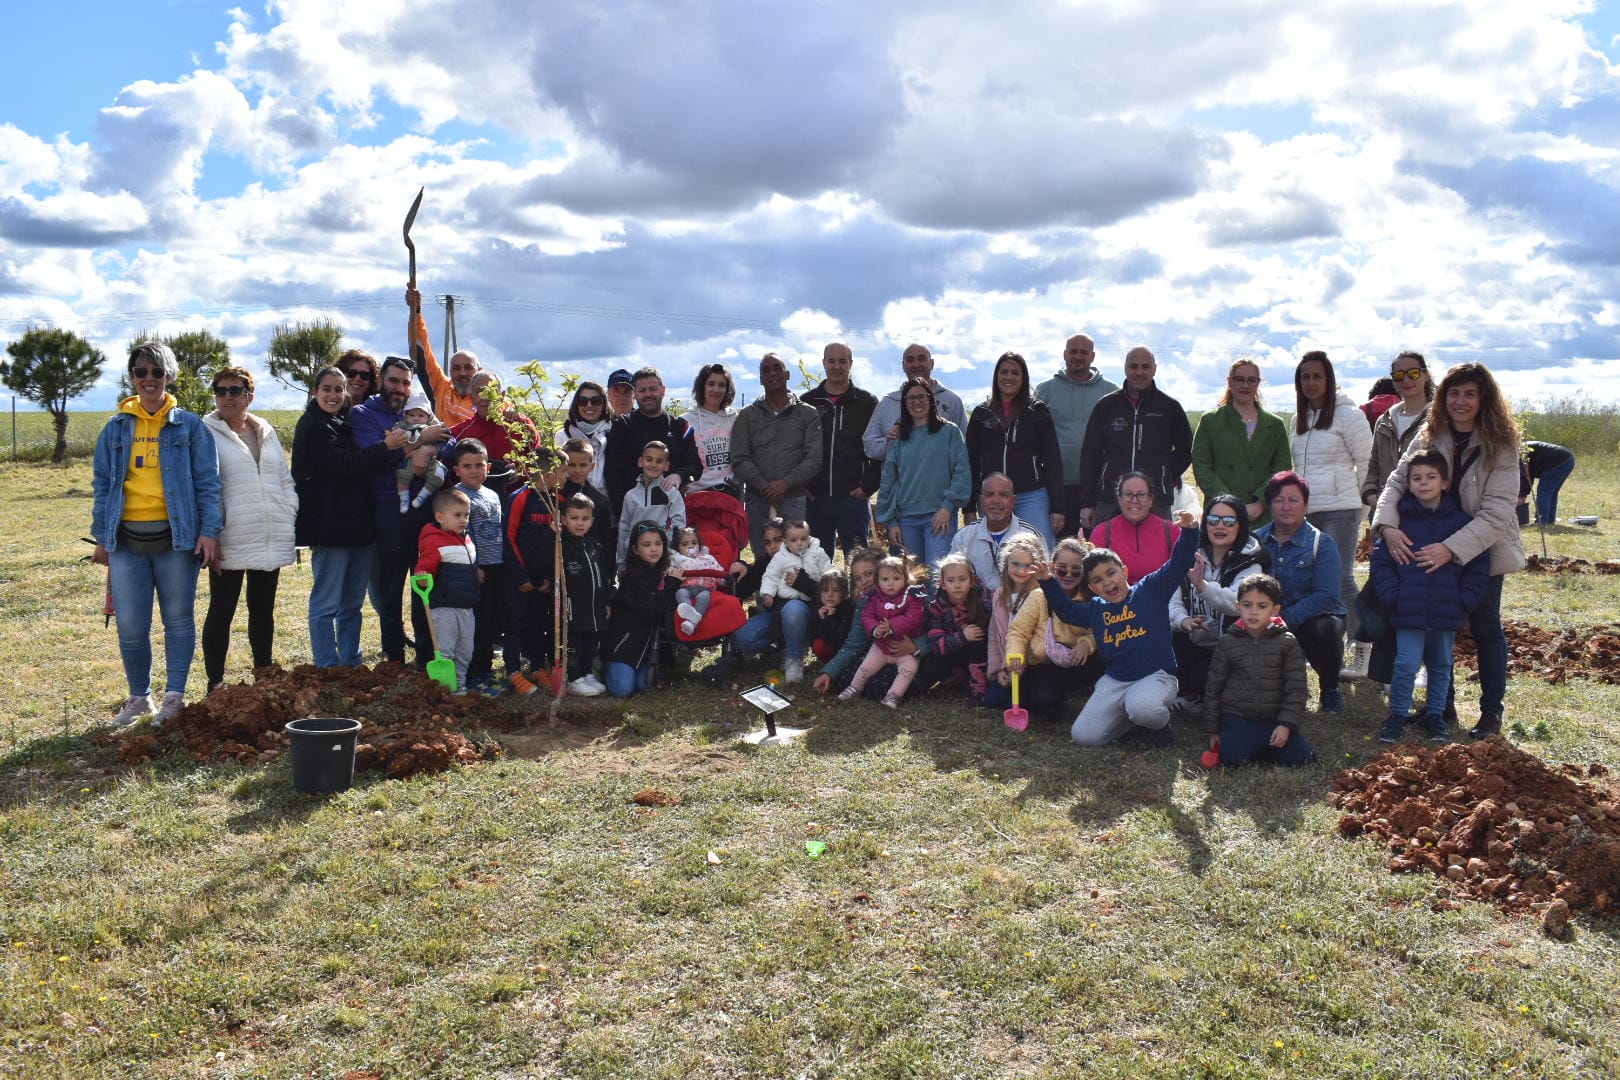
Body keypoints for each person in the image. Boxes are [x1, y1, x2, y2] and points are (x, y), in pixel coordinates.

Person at [1372, 362, 1525, 739]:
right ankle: (1442, 709)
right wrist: (1387, 526)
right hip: (1427, 543)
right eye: (1454, 393)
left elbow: (1497, 512)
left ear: (1484, 399)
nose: (1461, 401)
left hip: (1480, 549)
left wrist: (1451, 549)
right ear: (1443, 398)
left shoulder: (1501, 444)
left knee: (1485, 626)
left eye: (1470, 394)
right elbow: (1395, 482)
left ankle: (1490, 714)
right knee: (1434, 622)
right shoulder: (1430, 434)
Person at [91, 341, 222, 726]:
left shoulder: (190, 426)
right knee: (132, 625)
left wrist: (209, 532)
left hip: (177, 541)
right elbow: (102, 485)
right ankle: (139, 698)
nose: (149, 380)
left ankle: (174, 697)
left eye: (157, 372)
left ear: (169, 376)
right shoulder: (116, 428)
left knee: (178, 620)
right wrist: (102, 536)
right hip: (126, 543)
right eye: (141, 372)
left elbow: (208, 484)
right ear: (132, 377)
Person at [1036, 510, 1201, 746]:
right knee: (1083, 736)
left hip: (1156, 676)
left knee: (1143, 707)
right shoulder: (1097, 609)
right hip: (1116, 681)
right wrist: (1048, 582)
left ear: (1124, 571)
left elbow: (1179, 564)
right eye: (1098, 580)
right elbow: (1067, 611)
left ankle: (1159, 724)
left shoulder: (1150, 590)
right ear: (1092, 588)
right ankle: (1133, 718)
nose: (1108, 583)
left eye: (1111, 573)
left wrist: (1190, 531)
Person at [1370, 449, 1491, 743]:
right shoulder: (1399, 522)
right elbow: (1381, 560)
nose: (1424, 483)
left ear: (1445, 483)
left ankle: (1435, 715)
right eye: (1417, 479)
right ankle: (1397, 714)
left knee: (1441, 665)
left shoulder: (1460, 522)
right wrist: (1393, 596)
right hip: (1407, 609)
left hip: (1446, 610)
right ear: (1408, 484)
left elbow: (1478, 562)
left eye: (1431, 477)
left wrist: (1464, 600)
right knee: (1406, 664)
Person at [293, 367, 408, 669]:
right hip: (330, 528)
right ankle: (327, 665)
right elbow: (342, 464)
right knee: (326, 604)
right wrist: (387, 446)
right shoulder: (313, 426)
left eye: (339, 389)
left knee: (352, 605)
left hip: (359, 527)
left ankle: (351, 663)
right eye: (327, 389)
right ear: (315, 391)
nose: (333, 395)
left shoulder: (341, 424)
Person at [351, 356, 455, 669]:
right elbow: (376, 456)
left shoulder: (418, 411)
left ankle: (425, 654)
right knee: (391, 584)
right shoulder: (363, 414)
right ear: (381, 379)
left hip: (426, 509)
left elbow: (451, 442)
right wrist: (422, 439)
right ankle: (394, 655)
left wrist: (429, 449)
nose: (399, 388)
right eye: (394, 381)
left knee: (423, 580)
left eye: (405, 383)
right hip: (389, 507)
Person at [200, 366, 298, 691]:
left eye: (235, 390)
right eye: (221, 390)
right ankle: (215, 682)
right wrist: (210, 530)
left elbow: (283, 477)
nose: (227, 396)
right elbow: (203, 485)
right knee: (222, 610)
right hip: (229, 536)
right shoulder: (204, 432)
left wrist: (289, 508)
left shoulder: (266, 432)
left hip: (268, 533)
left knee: (262, 611)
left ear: (249, 396)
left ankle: (264, 675)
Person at [1290, 350, 1371, 637]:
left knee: (1340, 580)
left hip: (1341, 510)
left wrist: (1361, 510)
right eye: (1305, 377)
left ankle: (1363, 642)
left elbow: (1366, 463)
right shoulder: (1298, 420)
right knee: (1315, 582)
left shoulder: (1350, 416)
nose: (1311, 382)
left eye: (1317, 376)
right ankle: (1328, 641)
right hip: (1308, 515)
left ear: (1329, 379)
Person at [1199, 575, 1317, 767]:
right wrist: (1213, 730)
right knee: (1230, 760)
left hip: (1275, 719)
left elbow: (1296, 688)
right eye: (1247, 605)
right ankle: (1250, 745)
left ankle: (1269, 745)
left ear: (1275, 609)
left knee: (1304, 760)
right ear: (1238, 607)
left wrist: (1285, 725)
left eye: (1262, 606)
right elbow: (1214, 687)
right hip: (1239, 718)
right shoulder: (1228, 642)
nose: (1253, 612)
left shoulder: (1287, 642)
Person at [1168, 493, 1269, 711]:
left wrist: (1203, 587)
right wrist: (1184, 620)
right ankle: (1191, 695)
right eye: (1213, 520)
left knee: (1201, 677)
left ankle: (1204, 695)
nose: (1220, 526)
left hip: (1232, 648)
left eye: (1229, 521)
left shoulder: (1251, 563)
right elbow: (1171, 601)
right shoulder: (1190, 555)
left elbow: (1238, 602)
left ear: (1240, 526)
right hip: (1193, 640)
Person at [1255, 471, 1347, 712]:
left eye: (1293, 500)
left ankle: (1330, 688)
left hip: (1314, 617)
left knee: (1323, 629)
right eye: (1278, 500)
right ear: (1269, 506)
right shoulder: (1255, 541)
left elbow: (1327, 595)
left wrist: (1284, 619)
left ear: (1305, 505)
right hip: (1266, 617)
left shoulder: (1322, 543)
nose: (1286, 506)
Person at [1076, 346, 1193, 528]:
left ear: (1154, 369)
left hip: (1156, 500)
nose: (1139, 372)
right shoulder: (1106, 406)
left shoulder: (1169, 408)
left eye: (1145, 367)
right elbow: (1090, 455)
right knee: (1104, 554)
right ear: (1125, 368)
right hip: (1110, 498)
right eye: (1133, 366)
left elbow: (1185, 450)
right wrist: (1087, 503)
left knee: (1158, 554)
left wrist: (1164, 474)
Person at [964, 351, 1064, 547]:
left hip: (1031, 495)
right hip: (993, 497)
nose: (1009, 377)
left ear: (1023, 378)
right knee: (994, 551)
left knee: (1039, 549)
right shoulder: (981, 414)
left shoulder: (1038, 411)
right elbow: (972, 462)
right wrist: (968, 507)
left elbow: (1053, 459)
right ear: (996, 376)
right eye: (1004, 372)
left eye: (1015, 373)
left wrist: (1058, 506)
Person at [731, 352, 823, 559]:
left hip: (793, 499)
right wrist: (764, 486)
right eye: (766, 370)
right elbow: (739, 457)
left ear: (788, 374)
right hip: (757, 499)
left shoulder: (807, 414)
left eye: (777, 368)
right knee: (762, 556)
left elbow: (813, 459)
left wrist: (785, 483)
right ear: (760, 378)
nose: (772, 373)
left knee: (797, 557)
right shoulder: (747, 415)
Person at [874, 378, 971, 570]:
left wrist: (947, 507)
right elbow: (889, 481)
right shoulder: (899, 437)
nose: (916, 402)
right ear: (904, 403)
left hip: (939, 516)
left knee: (937, 577)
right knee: (911, 580)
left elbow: (961, 471)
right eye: (910, 398)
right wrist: (890, 521)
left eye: (921, 397)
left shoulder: (949, 431)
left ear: (931, 399)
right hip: (905, 520)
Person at [1004, 537, 1100, 724]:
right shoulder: (1038, 596)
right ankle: (1053, 697)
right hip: (1044, 663)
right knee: (1043, 700)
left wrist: (1088, 643)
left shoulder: (1090, 598)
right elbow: (1018, 630)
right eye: (1062, 569)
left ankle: (1088, 694)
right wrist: (1015, 654)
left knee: (1103, 657)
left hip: (1074, 661)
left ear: (1085, 573)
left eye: (1076, 570)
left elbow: (1102, 630)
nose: (1068, 575)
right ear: (1052, 567)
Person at [1190, 357, 1291, 525]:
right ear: (1229, 381)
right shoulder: (1211, 421)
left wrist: (1260, 503)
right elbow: (1201, 466)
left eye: (1251, 380)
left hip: (1262, 516)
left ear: (1258, 383)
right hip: (1221, 515)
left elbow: (1282, 469)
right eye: (1239, 379)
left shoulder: (1275, 425)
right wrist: (1229, 503)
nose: (1245, 385)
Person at [1036, 333, 1118, 539]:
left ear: (1093, 356)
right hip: (1059, 484)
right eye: (1073, 351)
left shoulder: (1111, 392)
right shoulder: (1045, 390)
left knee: (1098, 546)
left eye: (1084, 352)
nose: (1078, 357)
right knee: (1062, 546)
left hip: (1098, 484)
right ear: (1064, 354)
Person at [803, 341, 880, 559]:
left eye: (842, 361)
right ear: (824, 363)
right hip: (815, 498)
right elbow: (795, 447)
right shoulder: (807, 402)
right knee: (817, 562)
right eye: (832, 360)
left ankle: (859, 596)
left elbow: (878, 447)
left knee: (859, 563)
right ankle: (822, 595)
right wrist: (802, 484)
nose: (837, 366)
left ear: (851, 364)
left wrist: (868, 486)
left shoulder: (867, 402)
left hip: (853, 497)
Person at [603, 367, 701, 513]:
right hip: (633, 512)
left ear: (663, 390)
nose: (648, 394)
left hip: (671, 511)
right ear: (635, 394)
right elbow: (613, 475)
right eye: (642, 390)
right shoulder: (622, 426)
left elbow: (696, 467)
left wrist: (680, 475)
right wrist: (623, 512)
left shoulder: (680, 427)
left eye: (653, 389)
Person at [451, 440, 506, 694]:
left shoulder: (492, 494)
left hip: (497, 567)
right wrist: (473, 566)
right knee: (475, 624)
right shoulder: (458, 497)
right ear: (457, 470)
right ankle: (472, 675)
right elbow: (459, 533)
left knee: (492, 622)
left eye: (479, 465)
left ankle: (486, 670)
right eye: (467, 466)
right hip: (476, 570)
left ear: (489, 467)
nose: (474, 470)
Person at [839, 555, 928, 708]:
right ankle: (854, 688)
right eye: (885, 580)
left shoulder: (913, 597)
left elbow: (913, 618)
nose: (891, 583)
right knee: (866, 667)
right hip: (881, 646)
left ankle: (893, 696)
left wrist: (892, 625)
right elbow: (867, 616)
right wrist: (875, 628)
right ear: (878, 581)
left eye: (896, 578)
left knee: (908, 671)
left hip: (906, 650)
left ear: (906, 579)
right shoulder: (874, 598)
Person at [415, 488, 481, 693]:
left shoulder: (465, 537)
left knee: (466, 650)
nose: (463, 520)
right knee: (446, 648)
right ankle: (445, 688)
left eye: (466, 515)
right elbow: (424, 566)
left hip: (466, 605)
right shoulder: (433, 540)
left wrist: (475, 572)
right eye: (457, 515)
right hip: (444, 606)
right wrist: (423, 575)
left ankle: (460, 684)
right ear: (440, 517)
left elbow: (463, 561)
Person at [603, 522, 679, 698]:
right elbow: (652, 614)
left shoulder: (661, 571)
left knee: (642, 685)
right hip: (623, 645)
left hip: (644, 645)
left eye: (658, 544)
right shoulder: (634, 577)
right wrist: (671, 585)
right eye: (646, 545)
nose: (654, 549)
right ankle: (601, 665)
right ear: (635, 550)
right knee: (622, 690)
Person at [754, 519, 834, 682]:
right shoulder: (780, 557)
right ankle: (792, 656)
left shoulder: (818, 553)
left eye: (803, 539)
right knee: (792, 610)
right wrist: (767, 593)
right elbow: (770, 576)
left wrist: (828, 582)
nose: (799, 543)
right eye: (793, 540)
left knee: (795, 611)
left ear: (809, 538)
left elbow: (829, 572)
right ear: (786, 541)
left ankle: (795, 655)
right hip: (788, 604)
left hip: (814, 604)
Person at [860, 343, 968, 463]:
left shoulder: (952, 401)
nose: (916, 364)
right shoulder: (887, 403)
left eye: (921, 359)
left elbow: (965, 446)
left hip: (941, 480)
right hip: (898, 481)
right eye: (910, 360)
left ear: (931, 364)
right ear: (903, 366)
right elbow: (869, 446)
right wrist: (888, 443)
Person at [503, 473, 558, 697]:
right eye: (562, 471)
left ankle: (537, 668)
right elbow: (508, 537)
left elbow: (555, 541)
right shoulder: (520, 497)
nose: (566, 475)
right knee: (516, 624)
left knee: (537, 623)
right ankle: (513, 671)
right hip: (518, 579)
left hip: (542, 579)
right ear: (549, 473)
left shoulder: (556, 499)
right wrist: (521, 577)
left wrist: (546, 577)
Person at [450, 372, 539, 505]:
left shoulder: (520, 425)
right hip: (474, 509)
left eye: (492, 391)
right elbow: (450, 473)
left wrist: (521, 472)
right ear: (471, 397)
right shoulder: (459, 433)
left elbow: (540, 464)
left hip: (518, 506)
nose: (486, 397)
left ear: (502, 396)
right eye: (480, 391)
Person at [1362, 351, 1433, 511]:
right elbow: (1373, 467)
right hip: (1385, 511)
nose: (1406, 380)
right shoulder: (1385, 421)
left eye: (1413, 373)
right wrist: (1372, 496)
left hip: (1426, 511)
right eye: (1399, 375)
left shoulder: (1438, 419)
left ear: (1426, 375)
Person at [986, 533, 1049, 710]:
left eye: (1028, 566)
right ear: (1006, 563)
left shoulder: (1040, 594)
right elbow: (994, 636)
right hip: (1008, 665)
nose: (1021, 571)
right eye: (1015, 564)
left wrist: (1022, 668)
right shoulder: (999, 595)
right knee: (993, 702)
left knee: (1035, 702)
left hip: (1032, 665)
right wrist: (999, 669)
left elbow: (1039, 638)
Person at [919, 551, 990, 703]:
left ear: (972, 581)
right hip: (952, 652)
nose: (957, 585)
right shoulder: (936, 607)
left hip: (980, 653)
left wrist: (970, 635)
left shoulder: (983, 601)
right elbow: (935, 646)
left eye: (962, 579)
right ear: (943, 584)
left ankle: (980, 689)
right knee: (930, 669)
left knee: (976, 638)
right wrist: (962, 636)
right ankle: (960, 676)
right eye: (951, 580)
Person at [559, 493, 611, 697]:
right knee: (575, 643)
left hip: (595, 606)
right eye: (574, 518)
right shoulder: (560, 544)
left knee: (591, 642)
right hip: (573, 605)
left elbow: (603, 576)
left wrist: (606, 601)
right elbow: (547, 563)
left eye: (585, 518)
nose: (579, 523)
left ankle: (587, 672)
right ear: (564, 520)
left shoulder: (595, 546)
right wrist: (552, 536)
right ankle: (574, 678)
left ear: (592, 521)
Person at [949, 472, 1037, 591]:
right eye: (989, 494)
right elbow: (954, 583)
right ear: (981, 500)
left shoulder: (1031, 537)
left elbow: (1042, 584)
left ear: (1013, 501)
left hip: (1021, 606)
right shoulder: (963, 538)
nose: (996, 500)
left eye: (1003, 495)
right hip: (976, 607)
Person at [406, 285, 481, 425]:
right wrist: (415, 311)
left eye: (468, 367)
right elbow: (422, 350)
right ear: (450, 372)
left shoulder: (488, 400)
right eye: (456, 368)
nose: (462, 373)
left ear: (479, 371)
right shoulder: (442, 388)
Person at [812, 549, 883, 693]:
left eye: (869, 574)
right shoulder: (863, 603)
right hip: (877, 656)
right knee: (844, 680)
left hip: (912, 655)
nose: (863, 582)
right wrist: (828, 672)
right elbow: (854, 644)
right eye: (857, 578)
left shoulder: (907, 594)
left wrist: (912, 648)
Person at [1089, 471, 1175, 583]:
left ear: (1150, 500)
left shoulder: (1171, 531)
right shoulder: (1102, 532)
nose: (1134, 501)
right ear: (1119, 499)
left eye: (1141, 495)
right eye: (1128, 494)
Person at [616, 441, 686, 564]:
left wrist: (666, 551)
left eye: (659, 461)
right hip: (636, 559)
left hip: (662, 558)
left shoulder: (672, 494)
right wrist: (621, 562)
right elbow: (624, 529)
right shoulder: (630, 496)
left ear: (666, 465)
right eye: (649, 459)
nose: (653, 464)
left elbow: (678, 527)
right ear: (640, 462)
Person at [559, 438, 615, 577]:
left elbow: (606, 539)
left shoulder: (599, 500)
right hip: (560, 564)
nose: (577, 470)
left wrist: (608, 574)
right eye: (572, 465)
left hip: (591, 565)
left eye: (583, 465)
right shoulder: (555, 495)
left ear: (592, 466)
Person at [687, 363, 739, 493]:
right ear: (702, 386)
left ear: (727, 389)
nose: (716, 390)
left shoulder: (734, 418)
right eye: (711, 384)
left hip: (729, 493)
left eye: (721, 385)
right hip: (698, 496)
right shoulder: (686, 421)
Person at [395, 394, 450, 512]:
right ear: (405, 415)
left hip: (431, 461)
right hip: (409, 459)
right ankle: (404, 499)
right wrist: (398, 432)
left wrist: (432, 449)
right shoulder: (403, 425)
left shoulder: (433, 426)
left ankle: (422, 496)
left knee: (438, 476)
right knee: (402, 476)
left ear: (428, 417)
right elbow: (395, 433)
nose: (416, 418)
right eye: (411, 415)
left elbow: (449, 438)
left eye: (421, 415)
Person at [669, 526, 727, 636]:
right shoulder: (677, 559)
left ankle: (691, 623)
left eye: (694, 543)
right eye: (684, 544)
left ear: (699, 545)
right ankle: (688, 610)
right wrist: (671, 573)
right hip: (686, 587)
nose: (690, 546)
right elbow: (669, 570)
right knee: (680, 593)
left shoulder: (708, 558)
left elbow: (718, 570)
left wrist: (723, 580)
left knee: (704, 597)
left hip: (704, 588)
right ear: (678, 548)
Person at [560, 381, 613, 493]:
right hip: (569, 502)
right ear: (576, 404)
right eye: (583, 401)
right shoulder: (562, 436)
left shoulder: (614, 433)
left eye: (596, 401)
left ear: (604, 404)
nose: (589, 405)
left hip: (607, 504)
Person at [1521, 441, 1576, 526]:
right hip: (1568, 459)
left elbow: (1527, 475)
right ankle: (1550, 521)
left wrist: (1522, 495)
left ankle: (1541, 522)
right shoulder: (1521, 449)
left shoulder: (1520, 453)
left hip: (1558, 461)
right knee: (1551, 492)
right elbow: (1528, 475)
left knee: (1544, 492)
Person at [810, 573, 855, 666]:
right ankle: (830, 664)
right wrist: (823, 620)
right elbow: (818, 637)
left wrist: (831, 618)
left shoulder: (850, 609)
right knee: (818, 645)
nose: (830, 595)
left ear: (845, 594)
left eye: (836, 590)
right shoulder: (818, 609)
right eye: (825, 590)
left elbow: (841, 639)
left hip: (847, 651)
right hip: (829, 650)